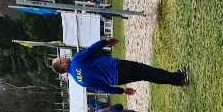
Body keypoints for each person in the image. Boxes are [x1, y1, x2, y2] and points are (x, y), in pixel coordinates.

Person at [51, 37, 187, 94]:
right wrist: (106, 41)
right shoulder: (76, 60)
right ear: (62, 65)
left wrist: (121, 91)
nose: (63, 57)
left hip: (117, 80)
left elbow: (103, 88)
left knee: (146, 76)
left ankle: (176, 81)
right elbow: (92, 49)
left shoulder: (79, 81)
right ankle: (179, 78)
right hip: (117, 67)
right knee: (149, 71)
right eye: (61, 58)